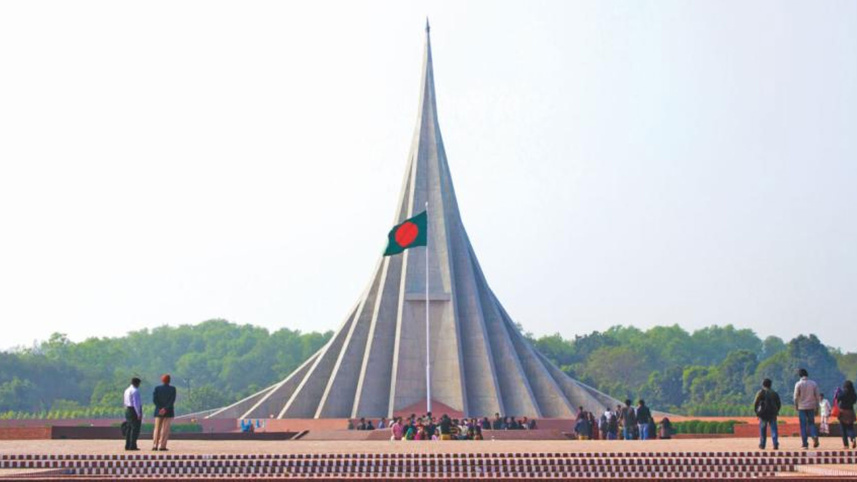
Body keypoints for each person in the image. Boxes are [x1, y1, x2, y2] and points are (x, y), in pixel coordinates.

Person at [794, 368, 821, 449]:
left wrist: (796, 406)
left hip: (801, 407)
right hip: (811, 406)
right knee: (811, 423)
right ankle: (814, 435)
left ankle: (805, 443)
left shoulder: (798, 384)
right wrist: (817, 407)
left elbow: (795, 397)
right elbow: (817, 396)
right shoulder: (813, 384)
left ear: (800, 375)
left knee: (803, 425)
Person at [753, 378, 781, 450]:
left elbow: (756, 403)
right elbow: (778, 403)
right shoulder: (774, 393)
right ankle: (775, 443)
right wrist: (776, 411)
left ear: (763, 384)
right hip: (772, 413)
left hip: (763, 413)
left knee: (762, 429)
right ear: (770, 385)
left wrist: (757, 412)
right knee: (774, 429)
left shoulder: (760, 392)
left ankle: (762, 444)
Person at [152, 374, 177, 451]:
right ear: (169, 380)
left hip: (158, 412)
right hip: (168, 411)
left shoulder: (157, 388)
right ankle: (162, 446)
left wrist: (160, 408)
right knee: (165, 429)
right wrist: (165, 408)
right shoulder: (172, 389)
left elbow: (154, 400)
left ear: (162, 380)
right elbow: (172, 401)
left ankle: (155, 445)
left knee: (157, 429)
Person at [123, 377, 142, 451]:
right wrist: (138, 414)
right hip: (133, 410)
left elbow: (124, 401)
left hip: (128, 409)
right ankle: (132, 445)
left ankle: (127, 445)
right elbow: (136, 403)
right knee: (135, 428)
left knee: (129, 428)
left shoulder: (126, 390)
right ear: (137, 383)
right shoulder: (135, 391)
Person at [836, 380, 857, 449]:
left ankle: (846, 445)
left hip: (843, 412)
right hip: (850, 412)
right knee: (850, 427)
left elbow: (838, 398)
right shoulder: (854, 394)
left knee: (843, 429)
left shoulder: (843, 393)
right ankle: (853, 437)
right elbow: (854, 401)